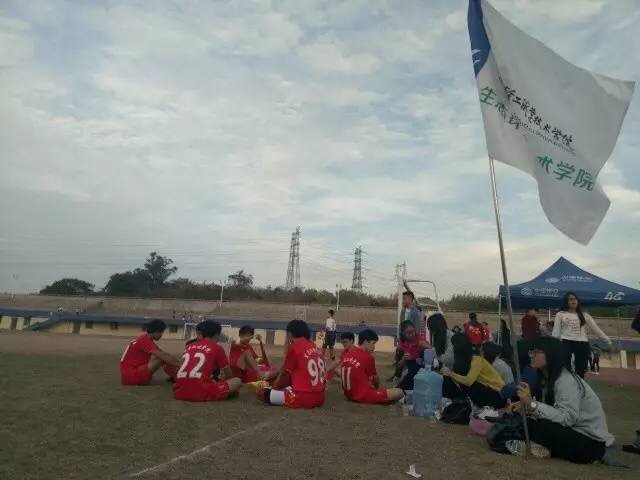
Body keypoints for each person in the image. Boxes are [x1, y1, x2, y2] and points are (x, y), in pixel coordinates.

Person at [508, 336, 613, 463]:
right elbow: (550, 411)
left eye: (536, 352)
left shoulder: (565, 380)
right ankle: (540, 447)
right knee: (525, 421)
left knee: (538, 426)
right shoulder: (545, 379)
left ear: (551, 354)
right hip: (571, 433)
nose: (531, 355)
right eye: (531, 352)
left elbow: (567, 418)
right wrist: (525, 406)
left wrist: (532, 405)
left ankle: (539, 447)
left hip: (588, 443)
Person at [258, 319, 325, 409]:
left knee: (263, 393)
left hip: (303, 397)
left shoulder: (295, 347)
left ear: (289, 334)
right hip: (320, 397)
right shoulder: (313, 345)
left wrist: (274, 387)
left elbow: (285, 374)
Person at [173, 320, 242, 401]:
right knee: (237, 381)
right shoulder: (217, 348)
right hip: (201, 393)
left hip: (179, 392)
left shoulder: (189, 346)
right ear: (217, 335)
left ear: (201, 333)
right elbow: (228, 373)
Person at [552, 292, 612, 378]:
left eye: (575, 299)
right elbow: (556, 331)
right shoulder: (560, 314)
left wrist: (608, 341)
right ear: (566, 302)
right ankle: (567, 383)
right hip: (566, 342)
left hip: (582, 343)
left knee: (580, 369)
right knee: (565, 367)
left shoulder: (585, 315)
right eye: (571, 299)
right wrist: (553, 344)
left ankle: (580, 383)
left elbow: (596, 329)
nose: (573, 301)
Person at [440, 333, 505, 408]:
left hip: (498, 394)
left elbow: (469, 381)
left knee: (471, 385)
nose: (451, 349)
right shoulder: (466, 361)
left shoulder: (476, 359)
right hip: (490, 392)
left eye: (452, 346)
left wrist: (450, 373)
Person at [340, 329, 404, 404]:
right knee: (399, 392)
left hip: (348, 395)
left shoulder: (347, 354)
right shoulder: (368, 357)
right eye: (373, 343)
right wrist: (376, 389)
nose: (374, 347)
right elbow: (375, 380)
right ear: (365, 342)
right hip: (362, 396)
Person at [120, 319, 181, 386]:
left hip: (128, 375)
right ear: (156, 331)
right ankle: (177, 376)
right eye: (161, 332)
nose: (161, 335)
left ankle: (175, 375)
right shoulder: (145, 340)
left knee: (160, 356)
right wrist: (180, 364)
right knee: (161, 357)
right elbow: (163, 356)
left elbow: (163, 354)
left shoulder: (144, 338)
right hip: (132, 376)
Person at [394, 320, 430, 391]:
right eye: (408, 333)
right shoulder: (401, 345)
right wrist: (404, 359)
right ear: (403, 333)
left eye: (413, 332)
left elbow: (430, 358)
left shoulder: (421, 341)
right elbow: (398, 366)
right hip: (409, 369)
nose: (411, 334)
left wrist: (428, 348)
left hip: (420, 368)